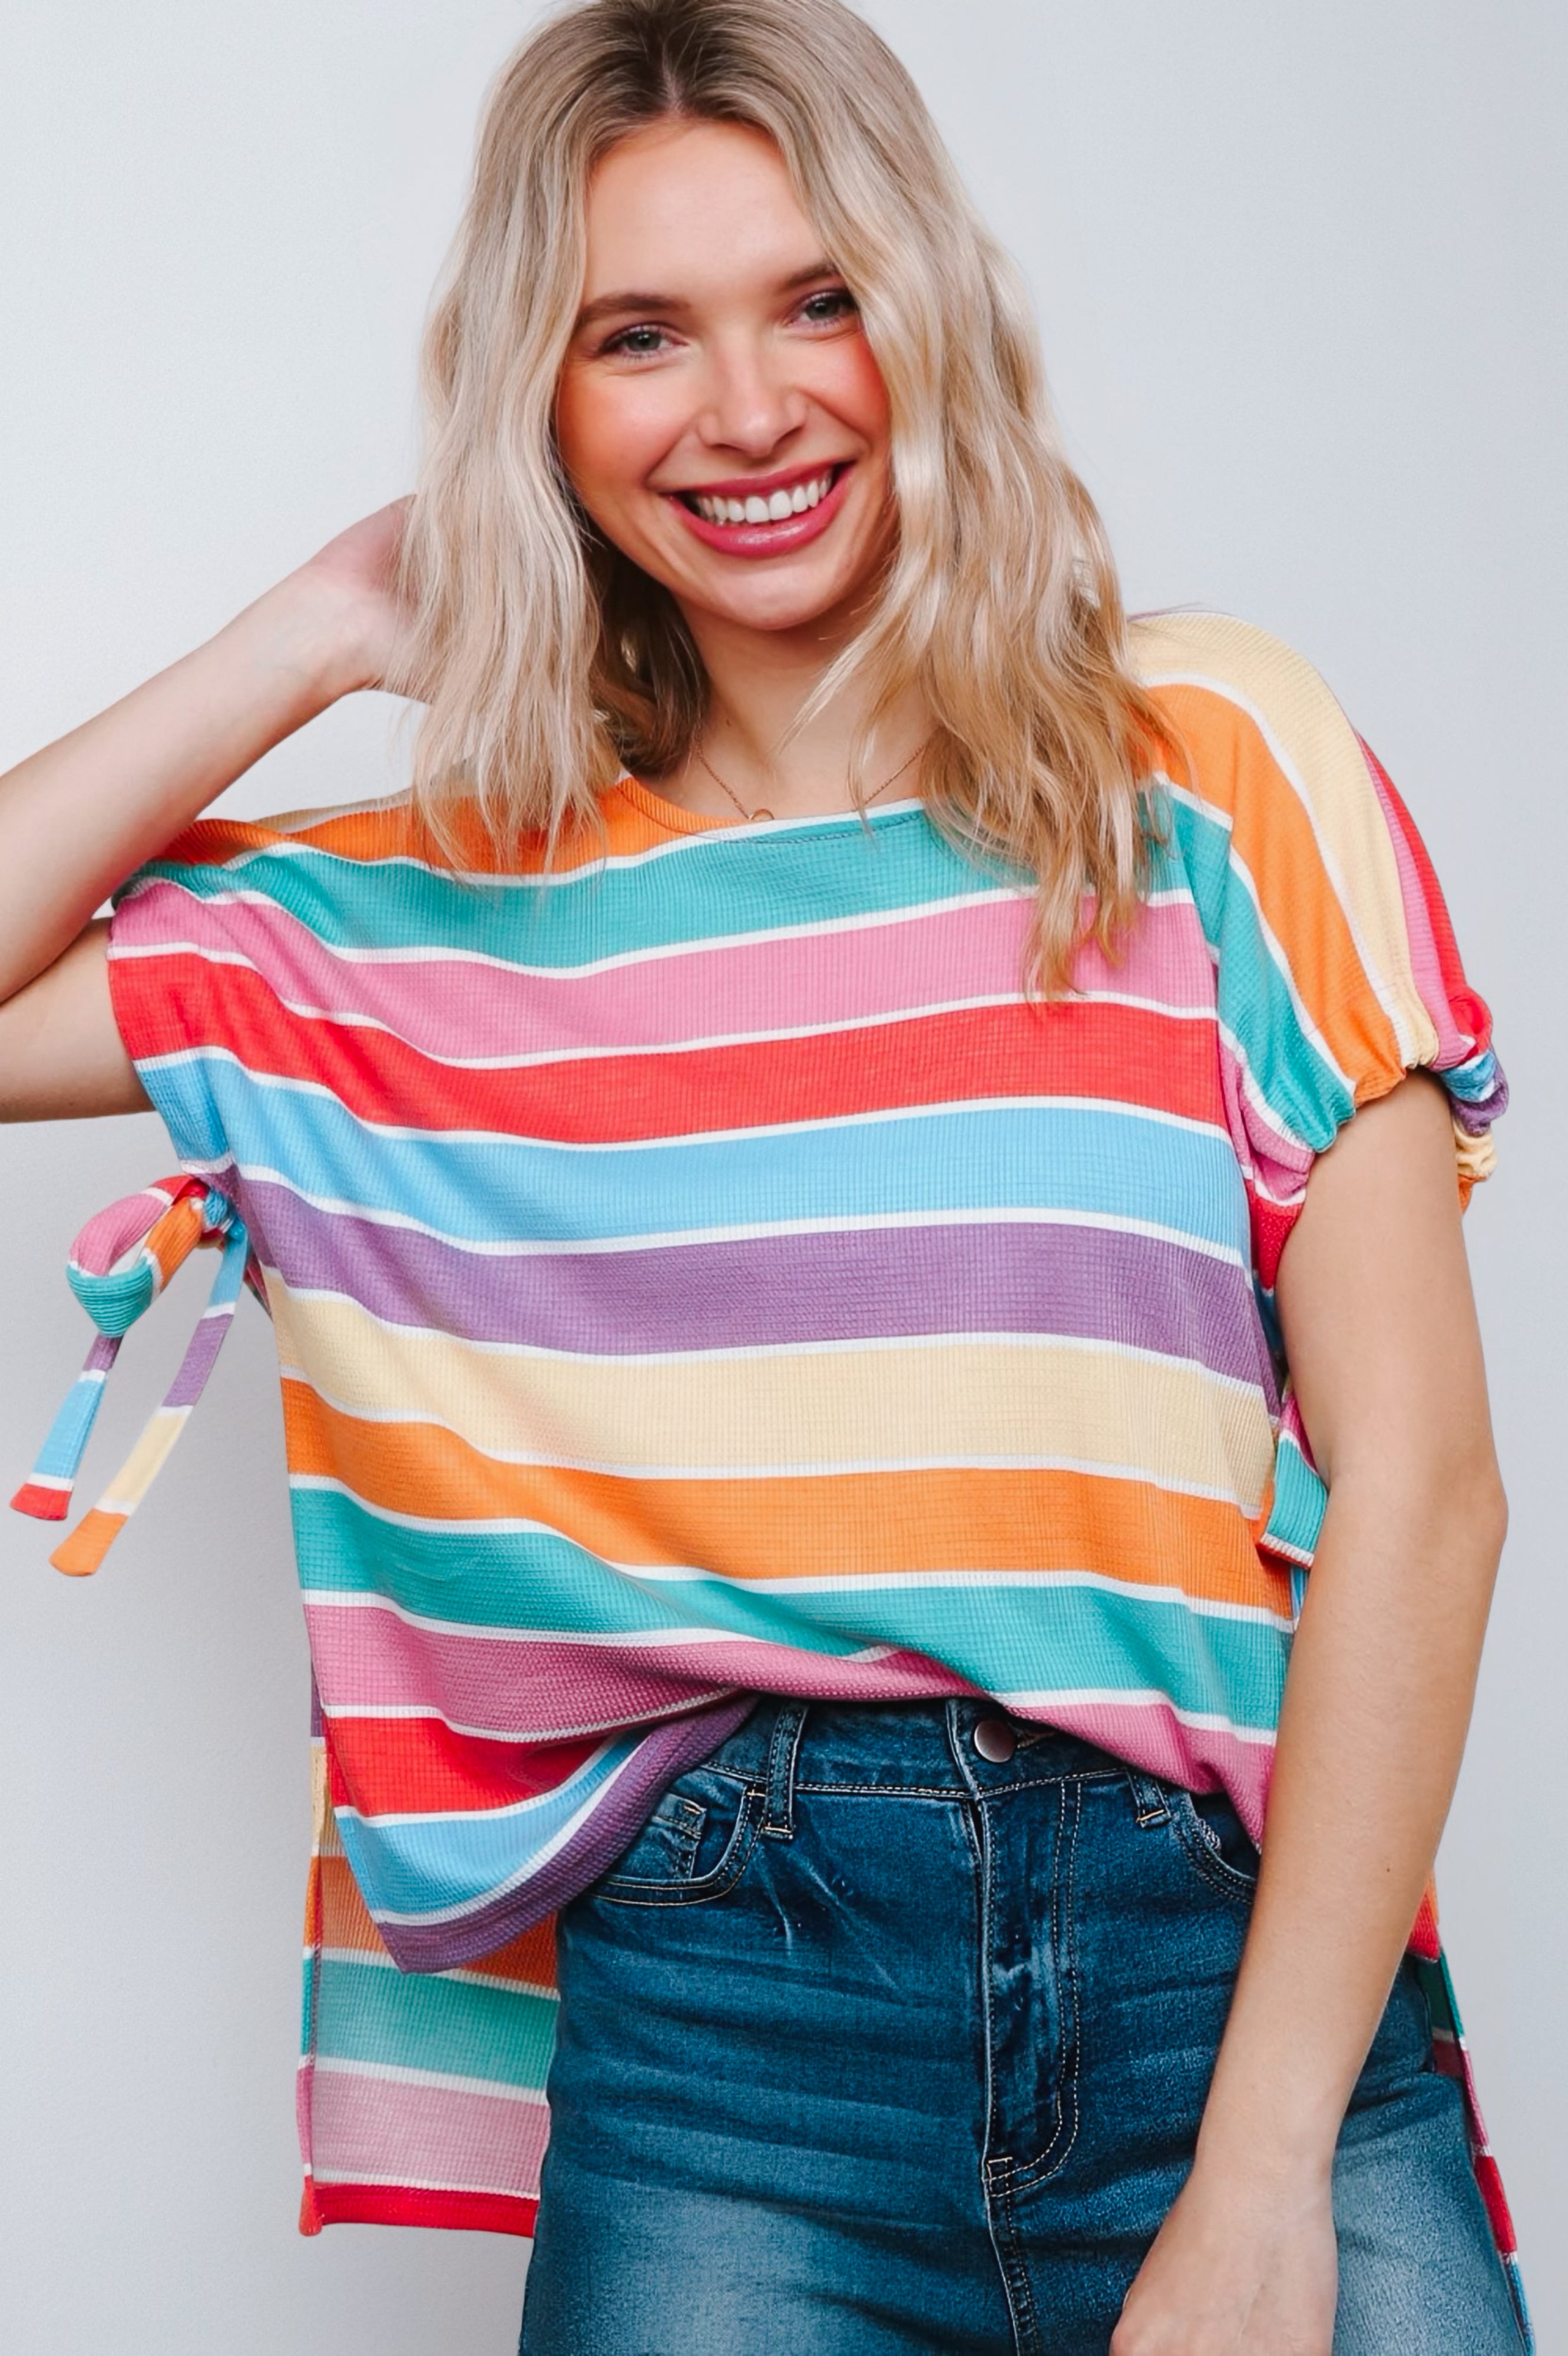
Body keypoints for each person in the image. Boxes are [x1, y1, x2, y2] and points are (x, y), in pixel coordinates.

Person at [0, 1, 1531, 2348]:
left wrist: (1258, 2174)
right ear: (542, 396)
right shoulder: (433, 904)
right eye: (639, 334)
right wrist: (307, 631)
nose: (748, 407)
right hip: (735, 2043)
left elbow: (1426, 1487)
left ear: (927, 316)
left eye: (817, 298)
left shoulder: (1206, 766)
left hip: (1235, 1983)